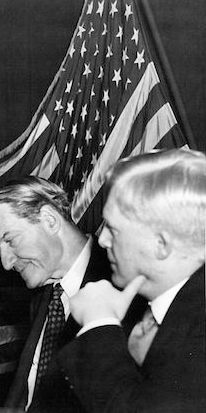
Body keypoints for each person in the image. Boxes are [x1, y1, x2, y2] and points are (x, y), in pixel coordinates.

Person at [58, 149, 206, 412]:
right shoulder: (149, 305)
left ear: (161, 245)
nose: (102, 241)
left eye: (113, 230)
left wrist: (98, 323)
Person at [0, 176, 112, 412]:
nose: (6, 263)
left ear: (50, 220)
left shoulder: (120, 286)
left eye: (9, 240)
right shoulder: (44, 299)